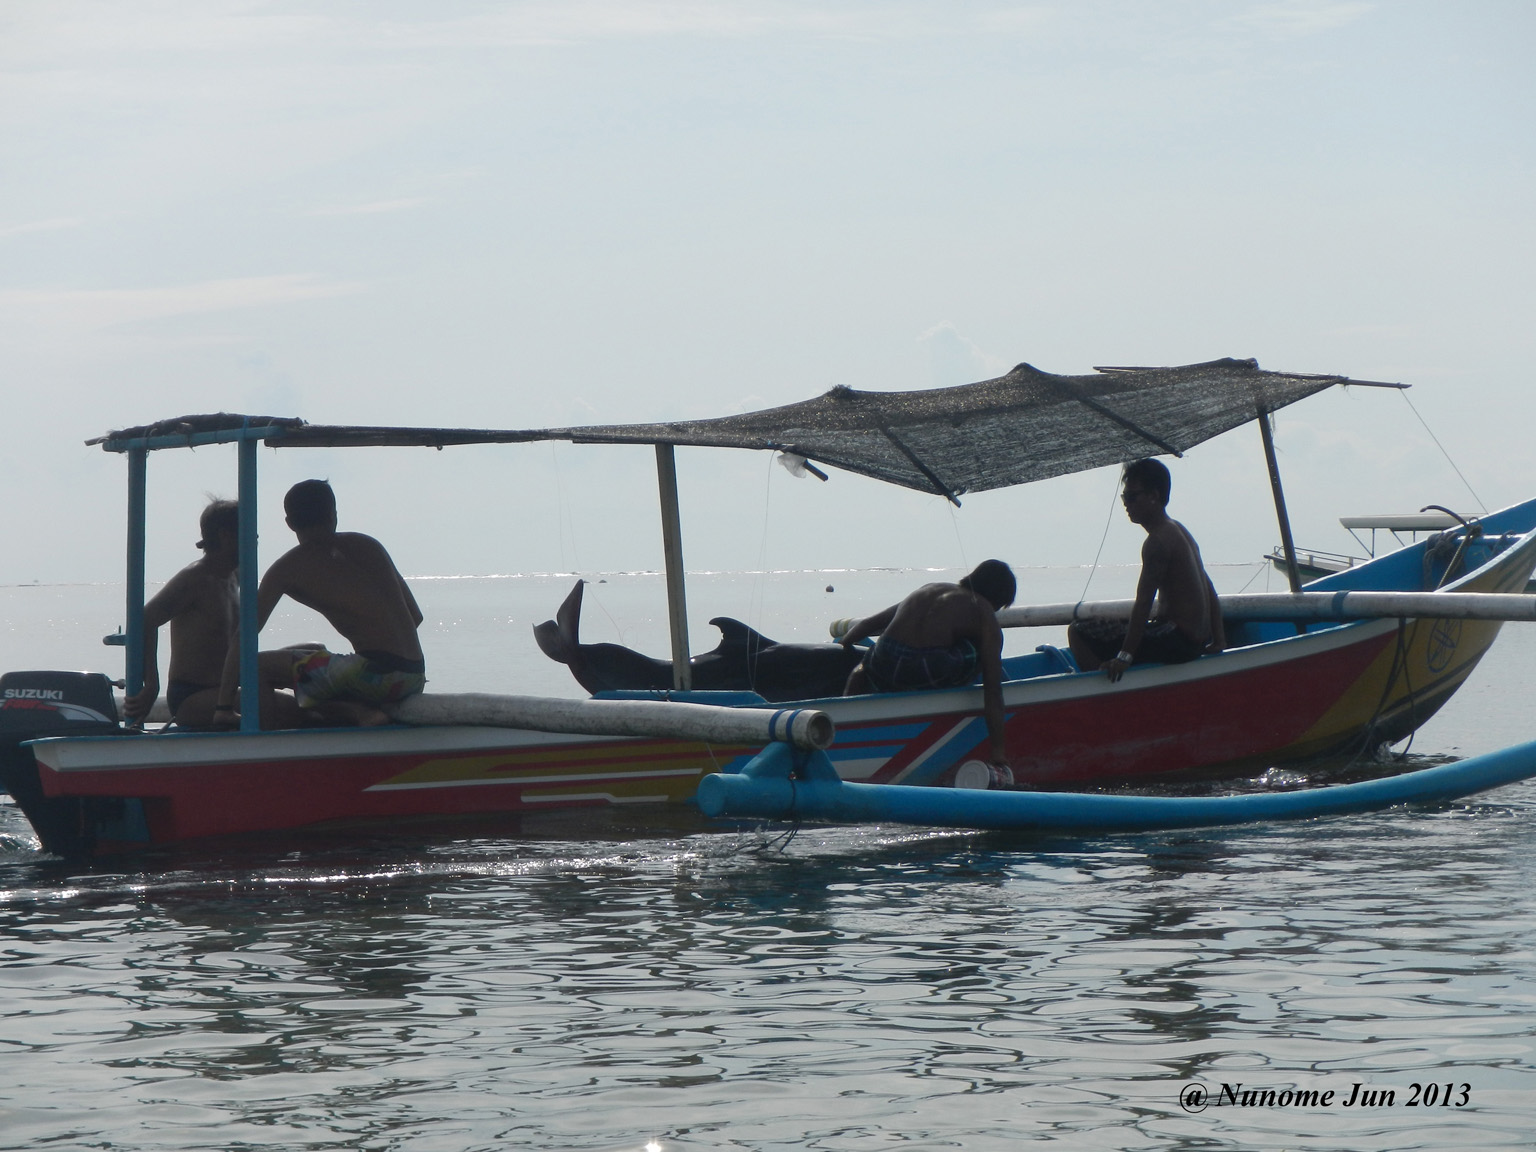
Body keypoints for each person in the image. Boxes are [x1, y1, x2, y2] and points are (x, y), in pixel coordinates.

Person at [214, 479, 425, 728]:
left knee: (254, 666)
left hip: (375, 676)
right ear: (333, 514)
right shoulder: (369, 545)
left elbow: (244, 635)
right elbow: (415, 617)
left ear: (290, 523)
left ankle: (267, 745)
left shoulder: (288, 568)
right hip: (413, 676)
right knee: (315, 656)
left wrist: (223, 707)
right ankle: (353, 709)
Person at [839, 559, 1016, 778]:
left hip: (884, 660)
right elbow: (993, 687)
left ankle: (845, 718)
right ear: (997, 599)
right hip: (923, 666)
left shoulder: (928, 589)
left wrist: (844, 645)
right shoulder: (984, 612)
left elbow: (866, 625)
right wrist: (998, 750)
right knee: (979, 650)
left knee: (866, 663)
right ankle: (947, 695)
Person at [1068, 458, 1224, 682]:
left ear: (1154, 496)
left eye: (1132, 497)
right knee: (1112, 626)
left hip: (1177, 642)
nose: (1126, 504)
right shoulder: (1179, 530)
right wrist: (1218, 639)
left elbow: (1143, 604)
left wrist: (1125, 656)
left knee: (1078, 631)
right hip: (1196, 640)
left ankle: (1104, 690)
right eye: (1124, 497)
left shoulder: (1157, 542)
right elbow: (1209, 588)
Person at [123, 499, 240, 729]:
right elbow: (144, 620)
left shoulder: (234, 576)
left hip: (226, 690)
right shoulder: (195, 578)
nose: (255, 543)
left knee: (308, 652)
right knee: (282, 706)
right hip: (192, 695)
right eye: (250, 535)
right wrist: (151, 686)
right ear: (226, 536)